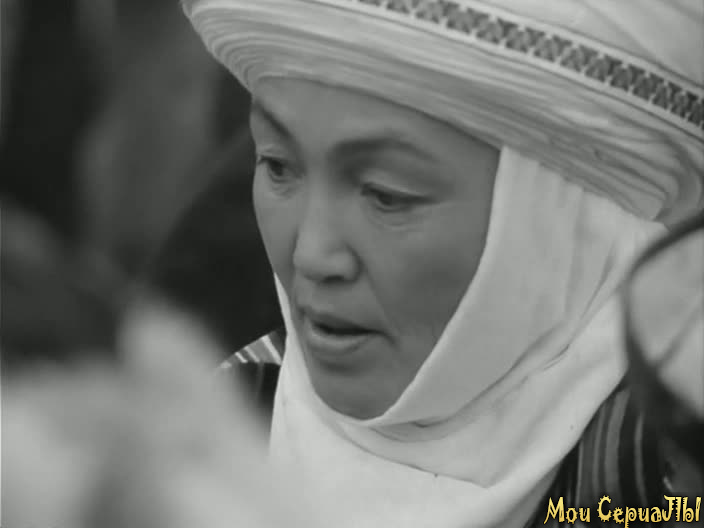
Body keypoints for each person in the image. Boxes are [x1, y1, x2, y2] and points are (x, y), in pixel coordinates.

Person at [182, 1, 704, 526]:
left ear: (563, 221)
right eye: (277, 166)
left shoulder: (669, 483)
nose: (311, 255)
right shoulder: (206, 429)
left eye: (387, 195)